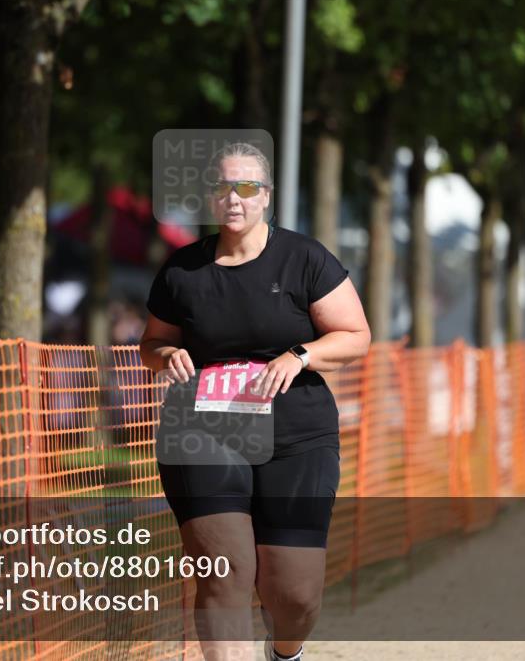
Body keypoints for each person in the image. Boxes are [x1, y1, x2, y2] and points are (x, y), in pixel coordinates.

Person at [139, 142, 371, 661]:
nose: (235, 198)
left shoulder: (304, 259)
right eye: (223, 187)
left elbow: (356, 335)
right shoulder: (182, 272)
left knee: (294, 596)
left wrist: (301, 356)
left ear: (266, 195)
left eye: (247, 187)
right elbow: (150, 345)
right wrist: (167, 353)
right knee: (225, 572)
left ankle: (285, 652)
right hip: (201, 432)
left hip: (295, 435)